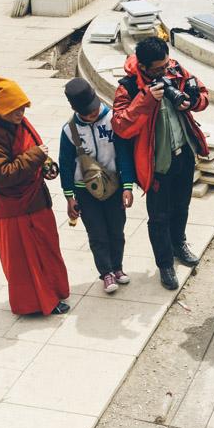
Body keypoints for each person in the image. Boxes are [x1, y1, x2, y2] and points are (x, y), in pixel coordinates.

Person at [0, 76, 70, 315]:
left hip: (36, 201)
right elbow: (3, 175)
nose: (20, 112)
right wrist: (35, 157)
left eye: (22, 107)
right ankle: (35, 304)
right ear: (0, 109)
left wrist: (46, 165)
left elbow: (35, 149)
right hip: (14, 210)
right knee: (26, 261)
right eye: (14, 109)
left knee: (47, 250)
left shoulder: (19, 123)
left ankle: (53, 293)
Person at [111, 36, 210, 290]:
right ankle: (165, 264)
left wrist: (193, 101)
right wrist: (146, 99)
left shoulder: (175, 69)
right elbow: (120, 126)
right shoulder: (129, 87)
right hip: (156, 164)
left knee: (182, 206)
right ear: (143, 67)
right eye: (158, 69)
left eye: (166, 65)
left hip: (184, 154)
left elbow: (203, 94)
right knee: (158, 217)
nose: (164, 72)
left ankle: (179, 244)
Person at [59, 78, 136, 294]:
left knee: (116, 230)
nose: (92, 114)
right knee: (97, 233)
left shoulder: (113, 119)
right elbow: (65, 165)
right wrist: (69, 196)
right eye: (86, 113)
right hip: (85, 191)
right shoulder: (69, 131)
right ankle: (106, 272)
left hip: (114, 187)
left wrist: (128, 186)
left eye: (93, 110)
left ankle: (118, 267)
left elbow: (124, 153)